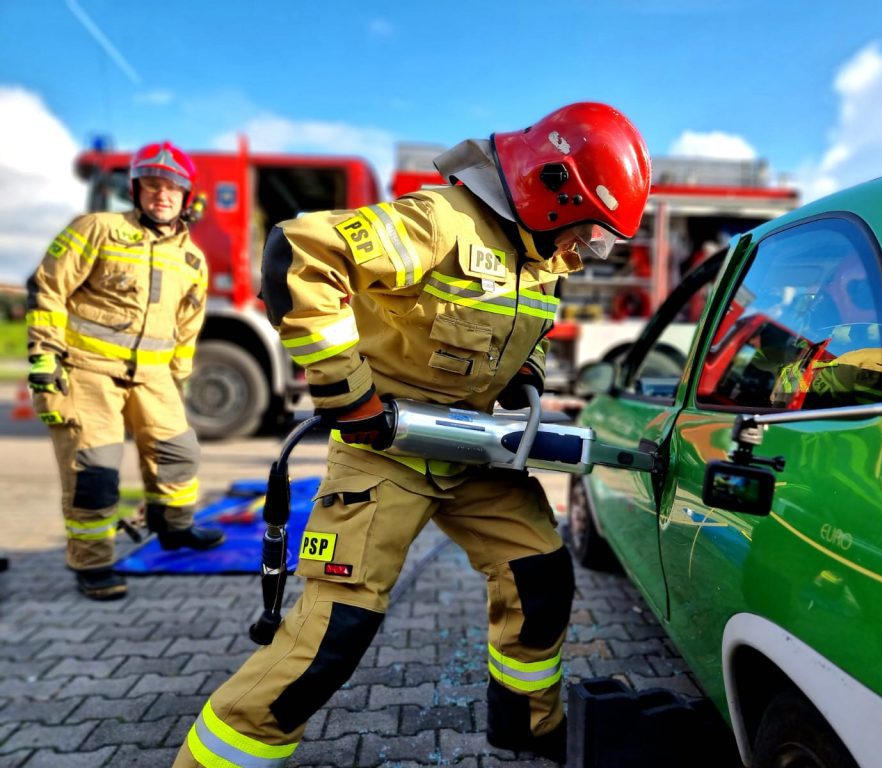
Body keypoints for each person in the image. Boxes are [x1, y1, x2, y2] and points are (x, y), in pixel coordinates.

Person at [174, 102, 651, 766]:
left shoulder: (542, 258)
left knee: (540, 578)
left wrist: (526, 382)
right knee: (333, 635)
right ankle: (218, 756)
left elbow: (527, 335)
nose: (587, 253)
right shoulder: (442, 222)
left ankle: (527, 726)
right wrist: (349, 395)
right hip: (386, 449)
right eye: (590, 235)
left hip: (474, 449)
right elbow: (302, 253)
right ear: (553, 189)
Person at [26, 141, 225, 602]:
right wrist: (44, 354)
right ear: (135, 190)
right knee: (95, 473)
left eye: (173, 188)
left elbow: (188, 322)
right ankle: (92, 563)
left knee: (179, 453)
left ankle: (173, 528)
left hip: (154, 377)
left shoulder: (191, 257)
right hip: (87, 370)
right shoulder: (96, 228)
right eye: (153, 185)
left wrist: (178, 373)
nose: (163, 195)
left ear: (186, 197)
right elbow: (48, 289)